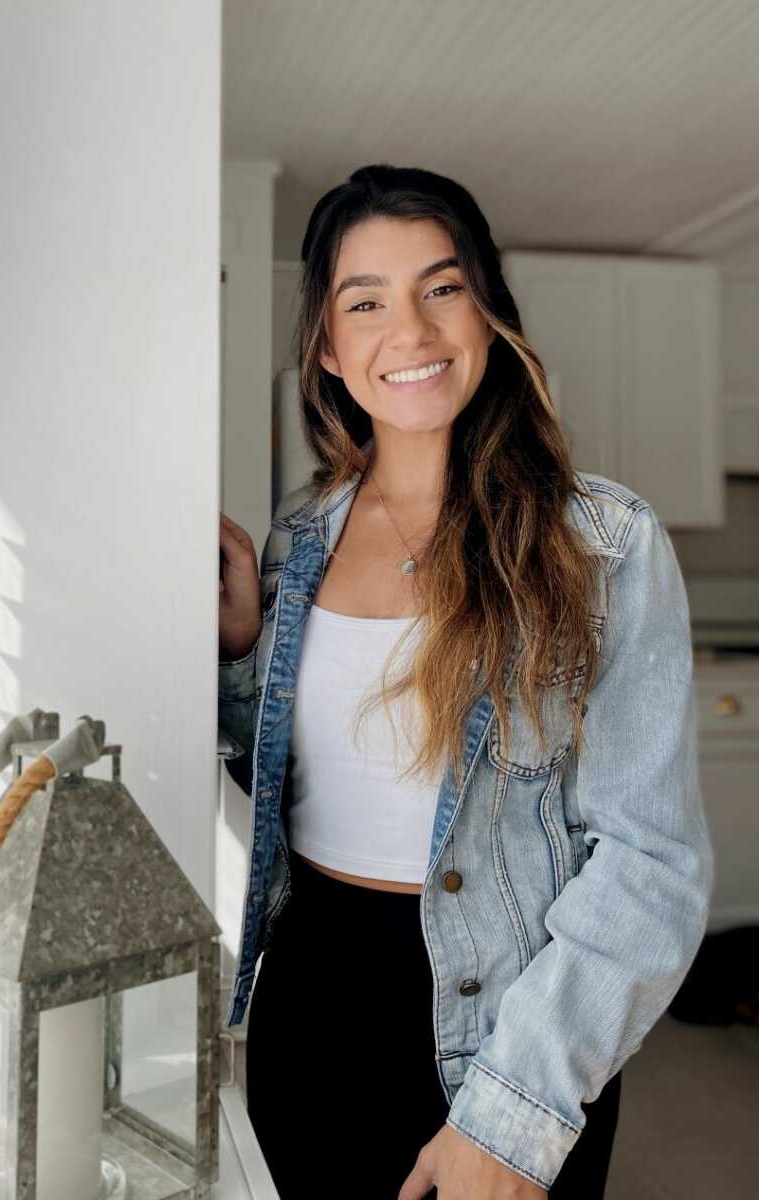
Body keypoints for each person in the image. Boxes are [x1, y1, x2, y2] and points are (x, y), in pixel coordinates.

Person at [217, 164, 714, 1199]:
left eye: (442, 287)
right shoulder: (296, 541)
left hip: (503, 1025)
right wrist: (235, 656)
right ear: (328, 346)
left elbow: (653, 862)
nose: (412, 329)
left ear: (488, 312)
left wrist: (513, 1113)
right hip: (310, 1009)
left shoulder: (604, 545)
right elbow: (282, 785)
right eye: (366, 301)